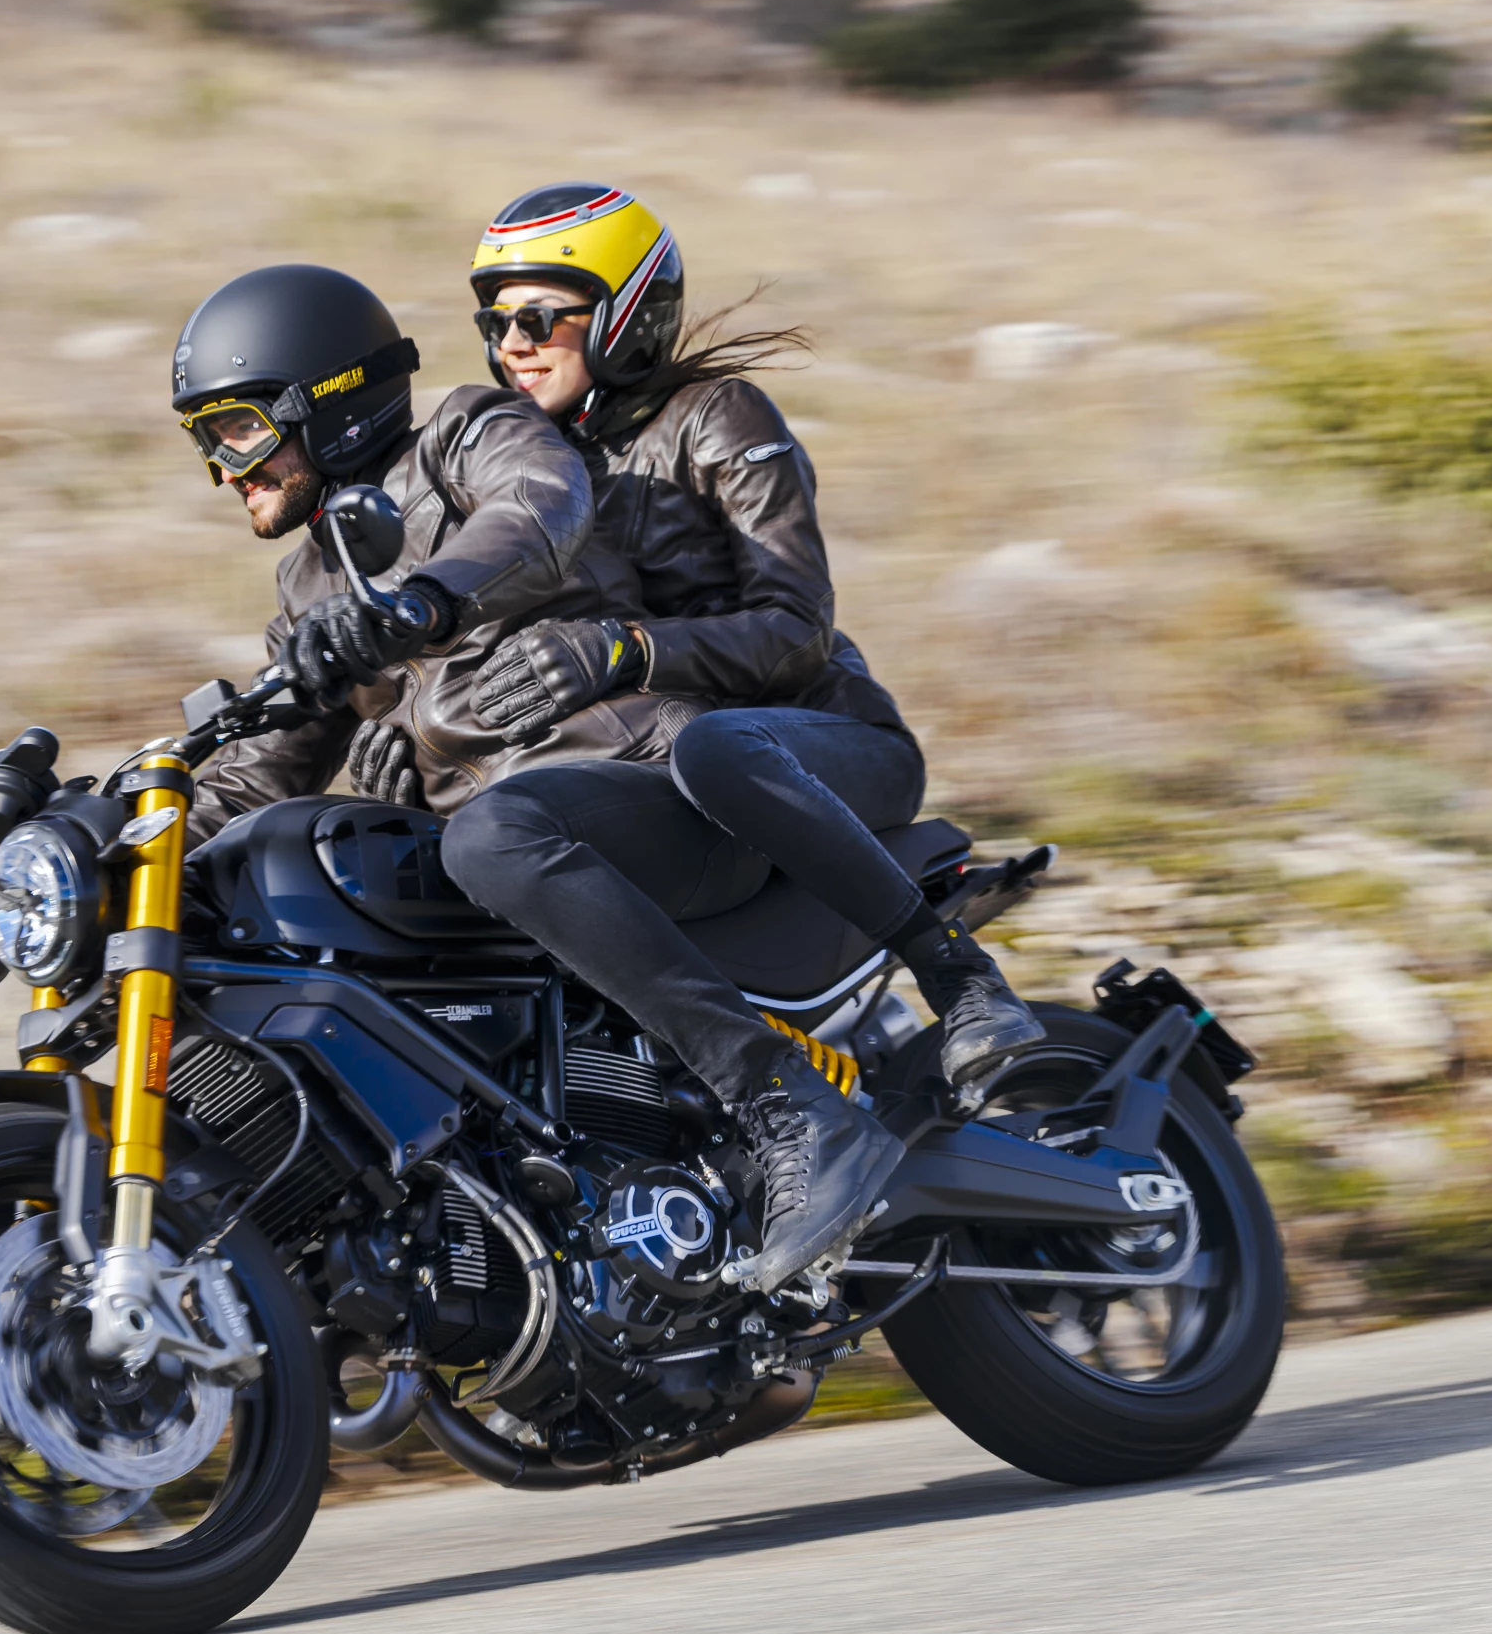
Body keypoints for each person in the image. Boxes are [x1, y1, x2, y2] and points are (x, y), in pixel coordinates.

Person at [171, 261, 897, 1290]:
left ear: (325, 404)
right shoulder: (310, 586)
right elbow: (255, 778)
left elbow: (539, 512)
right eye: (205, 438)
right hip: (530, 856)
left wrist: (423, 602)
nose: (223, 467)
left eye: (239, 430)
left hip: (657, 791)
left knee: (491, 835)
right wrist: (109, 840)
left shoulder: (471, 435)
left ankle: (793, 1107)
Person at [447, 180, 1046, 1092]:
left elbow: (797, 627)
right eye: (495, 323)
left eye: (539, 318)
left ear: (625, 314)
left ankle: (961, 980)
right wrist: (426, 731)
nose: (512, 345)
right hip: (675, 779)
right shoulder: (527, 469)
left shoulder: (719, 418)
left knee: (718, 744)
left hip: (818, 745)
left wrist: (626, 649)